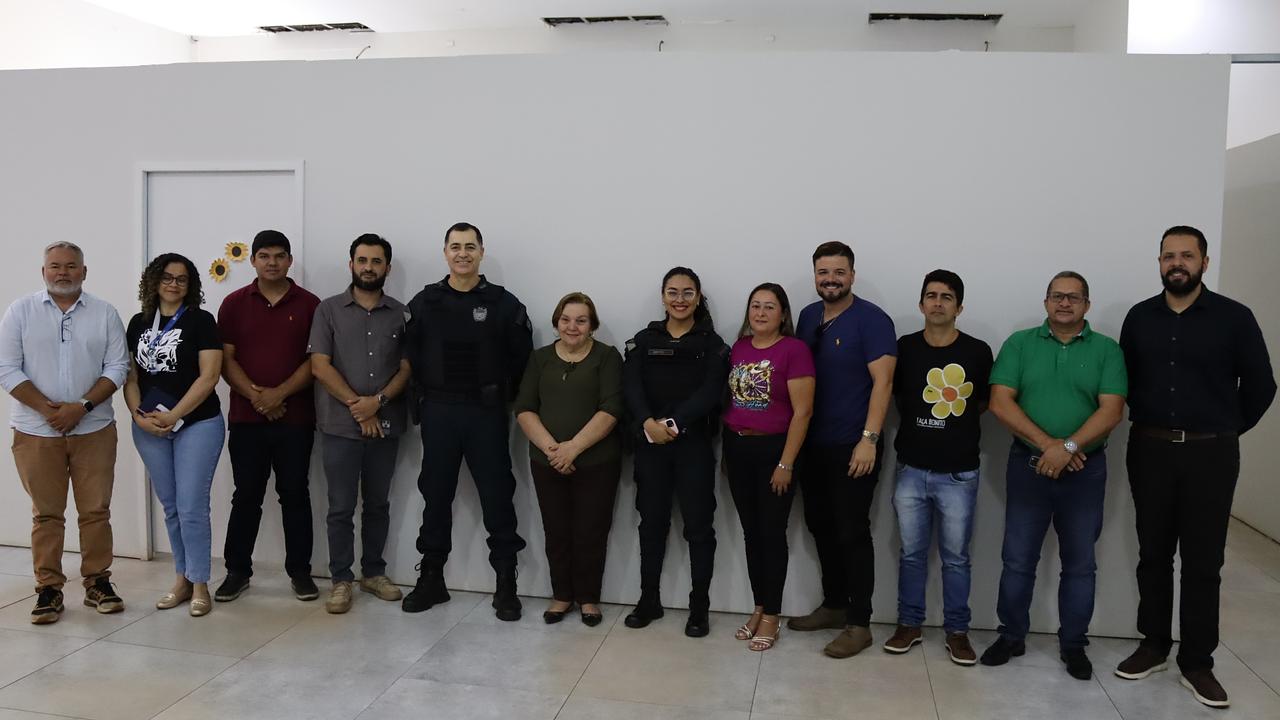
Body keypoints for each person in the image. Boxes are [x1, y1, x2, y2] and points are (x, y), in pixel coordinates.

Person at [1115, 225, 1276, 708]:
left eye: (1187, 255)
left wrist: (1224, 428)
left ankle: (1197, 661)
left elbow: (1262, 385)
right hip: (1150, 449)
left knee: (1204, 561)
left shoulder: (1234, 317)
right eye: (1169, 256)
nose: (1177, 263)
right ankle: (1154, 645)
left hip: (1212, 454)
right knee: (1153, 553)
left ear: (1205, 262)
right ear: (1159, 263)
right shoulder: (1139, 318)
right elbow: (1124, 381)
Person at [979, 271, 1127, 680]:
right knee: (1017, 560)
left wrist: (1070, 448)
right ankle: (1011, 636)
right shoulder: (1020, 344)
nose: (1065, 303)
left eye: (1074, 297)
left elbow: (1112, 410)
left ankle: (1074, 644)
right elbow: (1000, 402)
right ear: (1045, 301)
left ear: (1087, 305)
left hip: (1085, 472)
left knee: (1080, 564)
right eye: (1057, 296)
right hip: (1028, 467)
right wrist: (1051, 447)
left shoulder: (1107, 350)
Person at [402, 222, 533, 620]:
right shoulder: (425, 302)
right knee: (435, 495)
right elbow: (410, 357)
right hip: (439, 412)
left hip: (485, 414)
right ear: (445, 252)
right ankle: (432, 579)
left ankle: (506, 584)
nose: (463, 253)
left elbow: (521, 360)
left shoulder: (503, 303)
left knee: (497, 495)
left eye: (470, 247)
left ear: (481, 252)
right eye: (456, 246)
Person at [0, 242, 129, 624]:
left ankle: (98, 582)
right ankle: (48, 589)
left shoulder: (105, 313)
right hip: (35, 432)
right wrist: (48, 410)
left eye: (71, 266)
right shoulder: (20, 311)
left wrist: (81, 407)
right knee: (47, 514)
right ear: (43, 272)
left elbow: (118, 366)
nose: (63, 272)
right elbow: (6, 368)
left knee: (95, 511)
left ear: (84, 272)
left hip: (94, 429)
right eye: (55, 266)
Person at [790, 241, 897, 659]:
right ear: (815, 275)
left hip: (854, 445)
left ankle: (859, 623)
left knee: (853, 532)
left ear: (852, 275)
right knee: (820, 525)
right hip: (812, 445)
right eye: (823, 272)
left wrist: (868, 439)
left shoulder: (873, 320)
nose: (830, 279)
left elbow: (884, 383)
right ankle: (834, 605)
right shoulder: (807, 316)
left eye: (838, 272)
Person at [883, 270, 993, 665]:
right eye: (931, 295)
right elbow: (896, 397)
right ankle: (909, 624)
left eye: (947, 297)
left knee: (956, 558)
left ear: (959, 307)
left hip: (959, 473)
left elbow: (984, 403)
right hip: (911, 469)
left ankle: (957, 632)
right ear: (921, 304)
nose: (938, 303)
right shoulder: (905, 348)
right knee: (911, 554)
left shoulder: (978, 352)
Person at [621, 267, 729, 637]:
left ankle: (699, 608)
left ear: (698, 298)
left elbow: (712, 391)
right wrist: (646, 422)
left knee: (699, 528)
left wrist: (673, 423)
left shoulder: (712, 343)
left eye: (687, 293)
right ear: (663, 296)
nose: (679, 299)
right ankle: (648, 600)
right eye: (673, 292)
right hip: (651, 445)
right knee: (651, 525)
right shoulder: (644, 339)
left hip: (693, 447)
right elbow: (631, 386)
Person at [215, 230, 321, 603]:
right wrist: (257, 397)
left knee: (295, 494)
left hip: (296, 419)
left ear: (290, 260)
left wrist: (279, 394)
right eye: (264, 256)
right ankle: (237, 572)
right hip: (246, 420)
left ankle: (301, 573)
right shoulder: (233, 303)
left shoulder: (310, 304)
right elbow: (225, 360)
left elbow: (316, 361)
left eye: (279, 256)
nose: (272, 262)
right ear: (253, 261)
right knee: (246, 495)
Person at [308, 234, 412, 614]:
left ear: (387, 267)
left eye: (377, 261)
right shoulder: (328, 310)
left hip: (386, 425)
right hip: (340, 426)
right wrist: (360, 407)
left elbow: (406, 369)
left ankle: (373, 573)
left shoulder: (402, 314)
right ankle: (341, 579)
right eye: (363, 260)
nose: (369, 267)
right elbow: (320, 366)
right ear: (351, 264)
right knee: (340, 507)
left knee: (378, 504)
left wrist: (377, 404)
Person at [514, 292, 624, 626]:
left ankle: (588, 598)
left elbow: (612, 408)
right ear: (556, 322)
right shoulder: (540, 359)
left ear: (592, 325)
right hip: (547, 461)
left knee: (591, 531)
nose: (572, 326)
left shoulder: (607, 357)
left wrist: (573, 448)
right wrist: (554, 450)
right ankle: (561, 595)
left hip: (597, 462)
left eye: (581, 320)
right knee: (556, 530)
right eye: (566, 319)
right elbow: (525, 408)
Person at [123, 253, 224, 617]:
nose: (173, 284)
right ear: (153, 280)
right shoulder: (137, 323)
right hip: (149, 426)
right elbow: (131, 378)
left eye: (182, 279)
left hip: (197, 423)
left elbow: (209, 377)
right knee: (171, 508)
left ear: (190, 285)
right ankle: (181, 579)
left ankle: (200, 584)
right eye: (167, 277)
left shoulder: (201, 320)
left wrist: (175, 415)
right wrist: (138, 416)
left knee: (191, 507)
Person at [722, 283, 814, 651]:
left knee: (772, 533)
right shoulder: (739, 348)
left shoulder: (794, 350)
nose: (760, 313)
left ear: (783, 314)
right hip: (737, 447)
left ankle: (773, 615)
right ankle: (759, 607)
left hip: (775, 450)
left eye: (769, 307)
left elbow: (803, 412)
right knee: (751, 533)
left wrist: (785, 462)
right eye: (755, 306)